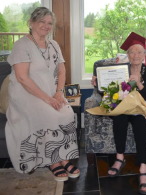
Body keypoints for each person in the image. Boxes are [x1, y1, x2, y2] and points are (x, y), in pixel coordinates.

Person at [5, 7, 80, 181]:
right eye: (42, 22)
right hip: (25, 94)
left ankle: (64, 158)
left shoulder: (53, 44)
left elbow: (62, 70)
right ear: (31, 22)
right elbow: (22, 78)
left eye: (49, 23)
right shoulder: (21, 45)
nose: (46, 26)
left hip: (51, 93)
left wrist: (59, 93)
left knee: (67, 113)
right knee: (49, 115)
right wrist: (48, 100)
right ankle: (53, 162)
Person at [92, 32, 146, 194]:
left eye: (139, 52)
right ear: (127, 55)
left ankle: (143, 167)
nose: (135, 55)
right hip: (123, 107)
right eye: (132, 52)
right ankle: (119, 158)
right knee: (119, 119)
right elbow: (110, 94)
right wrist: (98, 84)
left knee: (140, 124)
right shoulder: (120, 70)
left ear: (145, 55)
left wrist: (139, 84)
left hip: (142, 108)